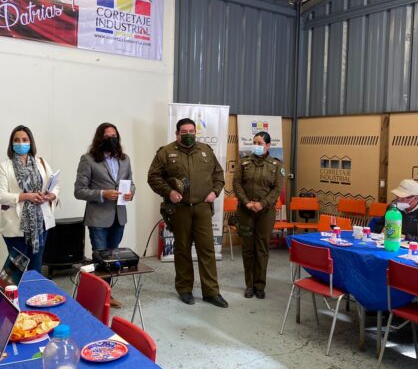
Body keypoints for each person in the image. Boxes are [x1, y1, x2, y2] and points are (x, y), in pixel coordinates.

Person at [147, 118, 228, 308]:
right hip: (180, 209)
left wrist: (214, 192)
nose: (188, 134)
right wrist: (169, 192)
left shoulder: (206, 151)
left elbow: (218, 175)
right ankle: (184, 289)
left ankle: (211, 292)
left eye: (192, 131)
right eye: (184, 132)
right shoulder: (166, 152)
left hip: (202, 207)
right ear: (177, 134)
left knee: (206, 249)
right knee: (182, 249)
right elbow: (153, 177)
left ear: (195, 132)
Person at [74, 123, 135, 307]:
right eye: (107, 136)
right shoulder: (88, 159)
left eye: (114, 136)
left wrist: (131, 193)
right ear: (99, 139)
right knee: (101, 260)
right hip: (98, 219)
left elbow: (131, 183)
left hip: (119, 217)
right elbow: (79, 191)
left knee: (112, 260)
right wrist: (102, 194)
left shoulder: (124, 159)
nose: (111, 139)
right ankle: (97, 298)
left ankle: (106, 295)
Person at [0, 125, 59, 273]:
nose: (20, 143)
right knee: (17, 270)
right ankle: (14, 289)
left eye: (24, 140)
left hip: (40, 224)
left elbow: (55, 185)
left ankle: (33, 288)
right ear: (11, 143)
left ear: (31, 142)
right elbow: (0, 195)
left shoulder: (41, 163)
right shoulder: (4, 166)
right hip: (15, 227)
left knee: (35, 268)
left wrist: (51, 195)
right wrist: (26, 196)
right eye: (16, 140)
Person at [233, 131, 285, 299]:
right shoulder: (244, 162)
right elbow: (236, 184)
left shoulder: (276, 165)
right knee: (248, 248)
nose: (256, 145)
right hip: (245, 210)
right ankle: (249, 285)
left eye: (260, 143)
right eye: (254, 142)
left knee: (262, 249)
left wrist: (262, 204)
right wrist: (247, 202)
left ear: (268, 146)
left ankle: (260, 286)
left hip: (266, 212)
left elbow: (277, 189)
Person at [371, 179, 418, 244]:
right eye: (397, 197)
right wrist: (382, 229)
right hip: (393, 245)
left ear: (416, 198)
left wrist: (406, 237)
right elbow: (379, 226)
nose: (399, 201)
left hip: (416, 249)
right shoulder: (393, 207)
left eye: (403, 198)